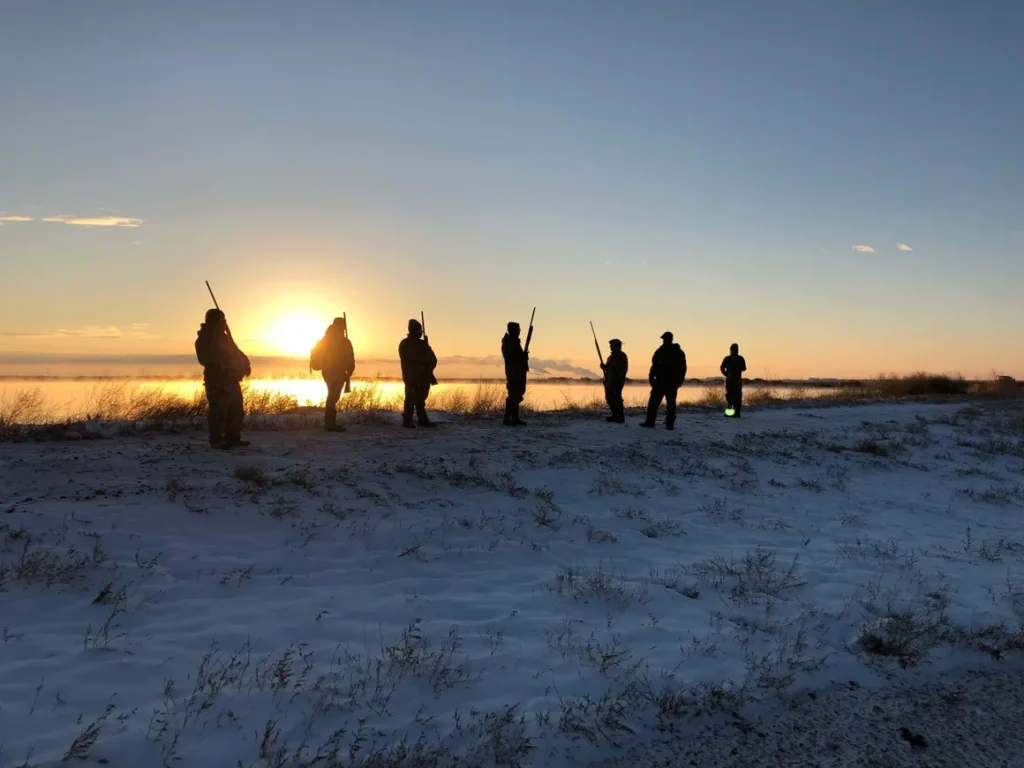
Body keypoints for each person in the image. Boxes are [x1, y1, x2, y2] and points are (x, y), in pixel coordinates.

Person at [195, 308, 251, 449]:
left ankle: (233, 437)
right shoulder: (204, 339)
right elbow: (205, 358)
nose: (224, 323)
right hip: (216, 380)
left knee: (235, 409)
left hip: (231, 379)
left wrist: (245, 364)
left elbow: (237, 352)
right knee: (219, 409)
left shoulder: (226, 339)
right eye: (221, 320)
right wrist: (222, 363)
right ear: (214, 321)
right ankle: (216, 439)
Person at [310, 317, 356, 432]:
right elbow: (350, 357)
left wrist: (349, 368)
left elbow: (350, 357)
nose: (343, 328)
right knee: (333, 396)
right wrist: (349, 368)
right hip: (333, 371)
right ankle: (330, 424)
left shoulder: (329, 339)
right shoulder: (340, 341)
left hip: (333, 371)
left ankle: (330, 423)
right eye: (342, 325)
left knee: (333, 395)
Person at [639, 331, 687, 430]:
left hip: (671, 382)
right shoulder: (660, 351)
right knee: (653, 403)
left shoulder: (678, 352)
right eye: (664, 339)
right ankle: (650, 421)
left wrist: (679, 381)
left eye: (666, 339)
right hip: (660, 381)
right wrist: (651, 378)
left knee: (670, 404)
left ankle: (669, 423)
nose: (665, 341)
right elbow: (654, 365)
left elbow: (683, 368)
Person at [398, 318, 438, 428]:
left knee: (421, 398)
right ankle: (407, 420)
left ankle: (422, 419)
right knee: (410, 398)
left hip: (423, 376)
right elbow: (410, 359)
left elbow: (433, 359)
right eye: (419, 329)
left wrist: (426, 346)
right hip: (411, 376)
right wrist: (423, 350)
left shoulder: (423, 345)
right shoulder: (405, 344)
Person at [502, 321, 529, 426]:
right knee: (513, 394)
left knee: (517, 394)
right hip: (514, 372)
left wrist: (523, 356)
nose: (520, 331)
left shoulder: (513, 341)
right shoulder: (509, 342)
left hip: (518, 371)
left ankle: (514, 418)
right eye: (518, 329)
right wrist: (522, 357)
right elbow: (511, 358)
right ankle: (507, 418)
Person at [601, 338, 628, 423]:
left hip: (617, 381)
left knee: (616, 398)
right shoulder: (610, 357)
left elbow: (622, 369)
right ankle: (614, 415)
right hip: (609, 381)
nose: (610, 347)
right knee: (609, 398)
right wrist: (604, 367)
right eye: (610, 345)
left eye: (612, 345)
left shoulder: (622, 356)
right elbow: (609, 368)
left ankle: (620, 416)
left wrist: (617, 378)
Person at [720, 342, 747, 418]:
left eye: (735, 349)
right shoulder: (727, 358)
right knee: (729, 398)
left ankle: (737, 413)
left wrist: (737, 367)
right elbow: (722, 368)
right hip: (729, 381)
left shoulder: (740, 358)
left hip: (737, 381)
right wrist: (726, 374)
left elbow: (744, 368)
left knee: (737, 398)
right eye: (732, 349)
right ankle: (729, 413)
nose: (734, 351)